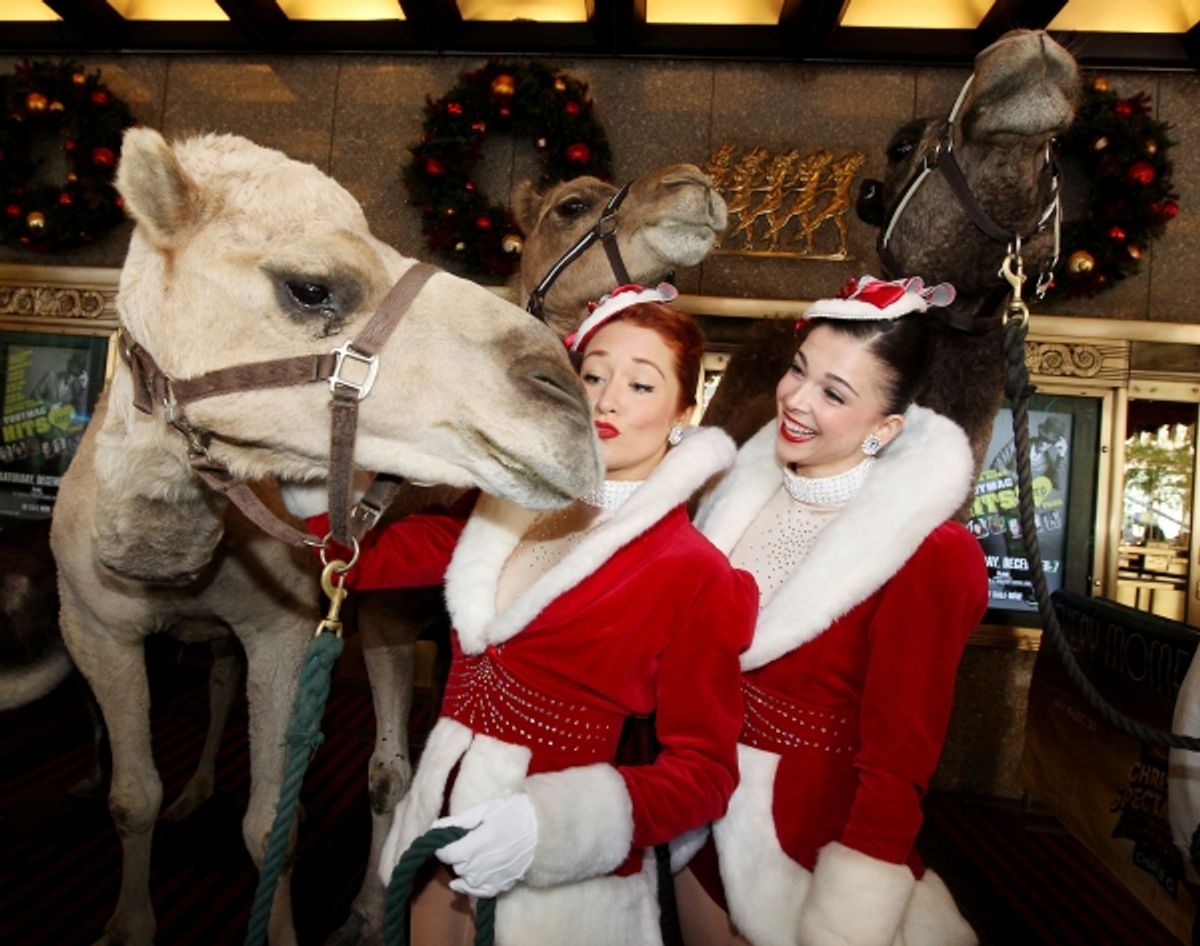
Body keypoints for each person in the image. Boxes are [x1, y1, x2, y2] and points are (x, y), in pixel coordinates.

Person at [289, 284, 757, 946]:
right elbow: (363, 562)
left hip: (561, 882)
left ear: (685, 410)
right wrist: (314, 462)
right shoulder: (506, 503)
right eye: (593, 375)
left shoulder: (693, 570)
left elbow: (706, 773)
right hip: (439, 835)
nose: (607, 399)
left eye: (641, 384)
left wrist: (548, 826)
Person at [675, 275, 989, 946]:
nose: (795, 399)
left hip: (808, 849)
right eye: (799, 370)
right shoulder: (732, 493)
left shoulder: (929, 552)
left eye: (834, 393)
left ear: (885, 428)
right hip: (697, 820)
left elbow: (900, 760)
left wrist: (852, 915)